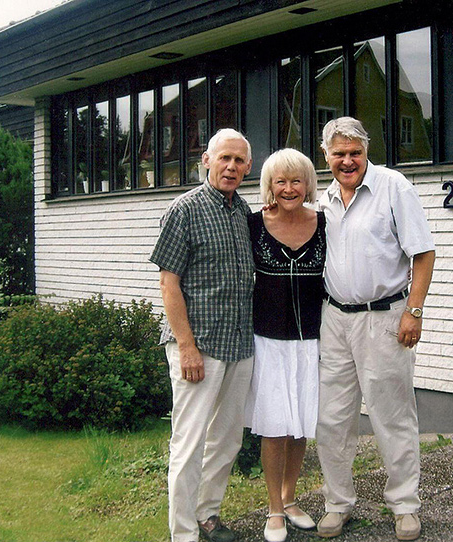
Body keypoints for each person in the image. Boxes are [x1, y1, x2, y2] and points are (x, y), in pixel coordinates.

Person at [314, 117, 435, 541]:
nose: (348, 161)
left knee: (392, 416)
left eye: (356, 153)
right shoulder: (322, 198)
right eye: (339, 153)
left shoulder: (393, 187)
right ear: (326, 155)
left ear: (367, 152)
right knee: (331, 419)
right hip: (334, 320)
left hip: (385, 318)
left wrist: (413, 313)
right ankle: (337, 503)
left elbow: (423, 254)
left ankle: (404, 506)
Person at [150, 128, 255, 542]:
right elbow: (168, 283)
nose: (231, 166)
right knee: (189, 444)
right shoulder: (185, 209)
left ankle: (207, 515)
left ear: (248, 168)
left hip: (239, 345)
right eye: (224, 158)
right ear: (207, 160)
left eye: (239, 161)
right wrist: (186, 346)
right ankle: (183, 534)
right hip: (198, 347)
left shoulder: (243, 211)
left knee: (226, 439)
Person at [245, 149, 324, 542]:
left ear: (308, 184)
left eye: (296, 181)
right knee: (275, 427)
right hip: (268, 340)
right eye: (281, 181)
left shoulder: (325, 223)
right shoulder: (253, 223)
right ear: (269, 186)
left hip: (312, 340)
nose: (289, 188)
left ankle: (291, 499)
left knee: (300, 426)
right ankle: (274, 509)